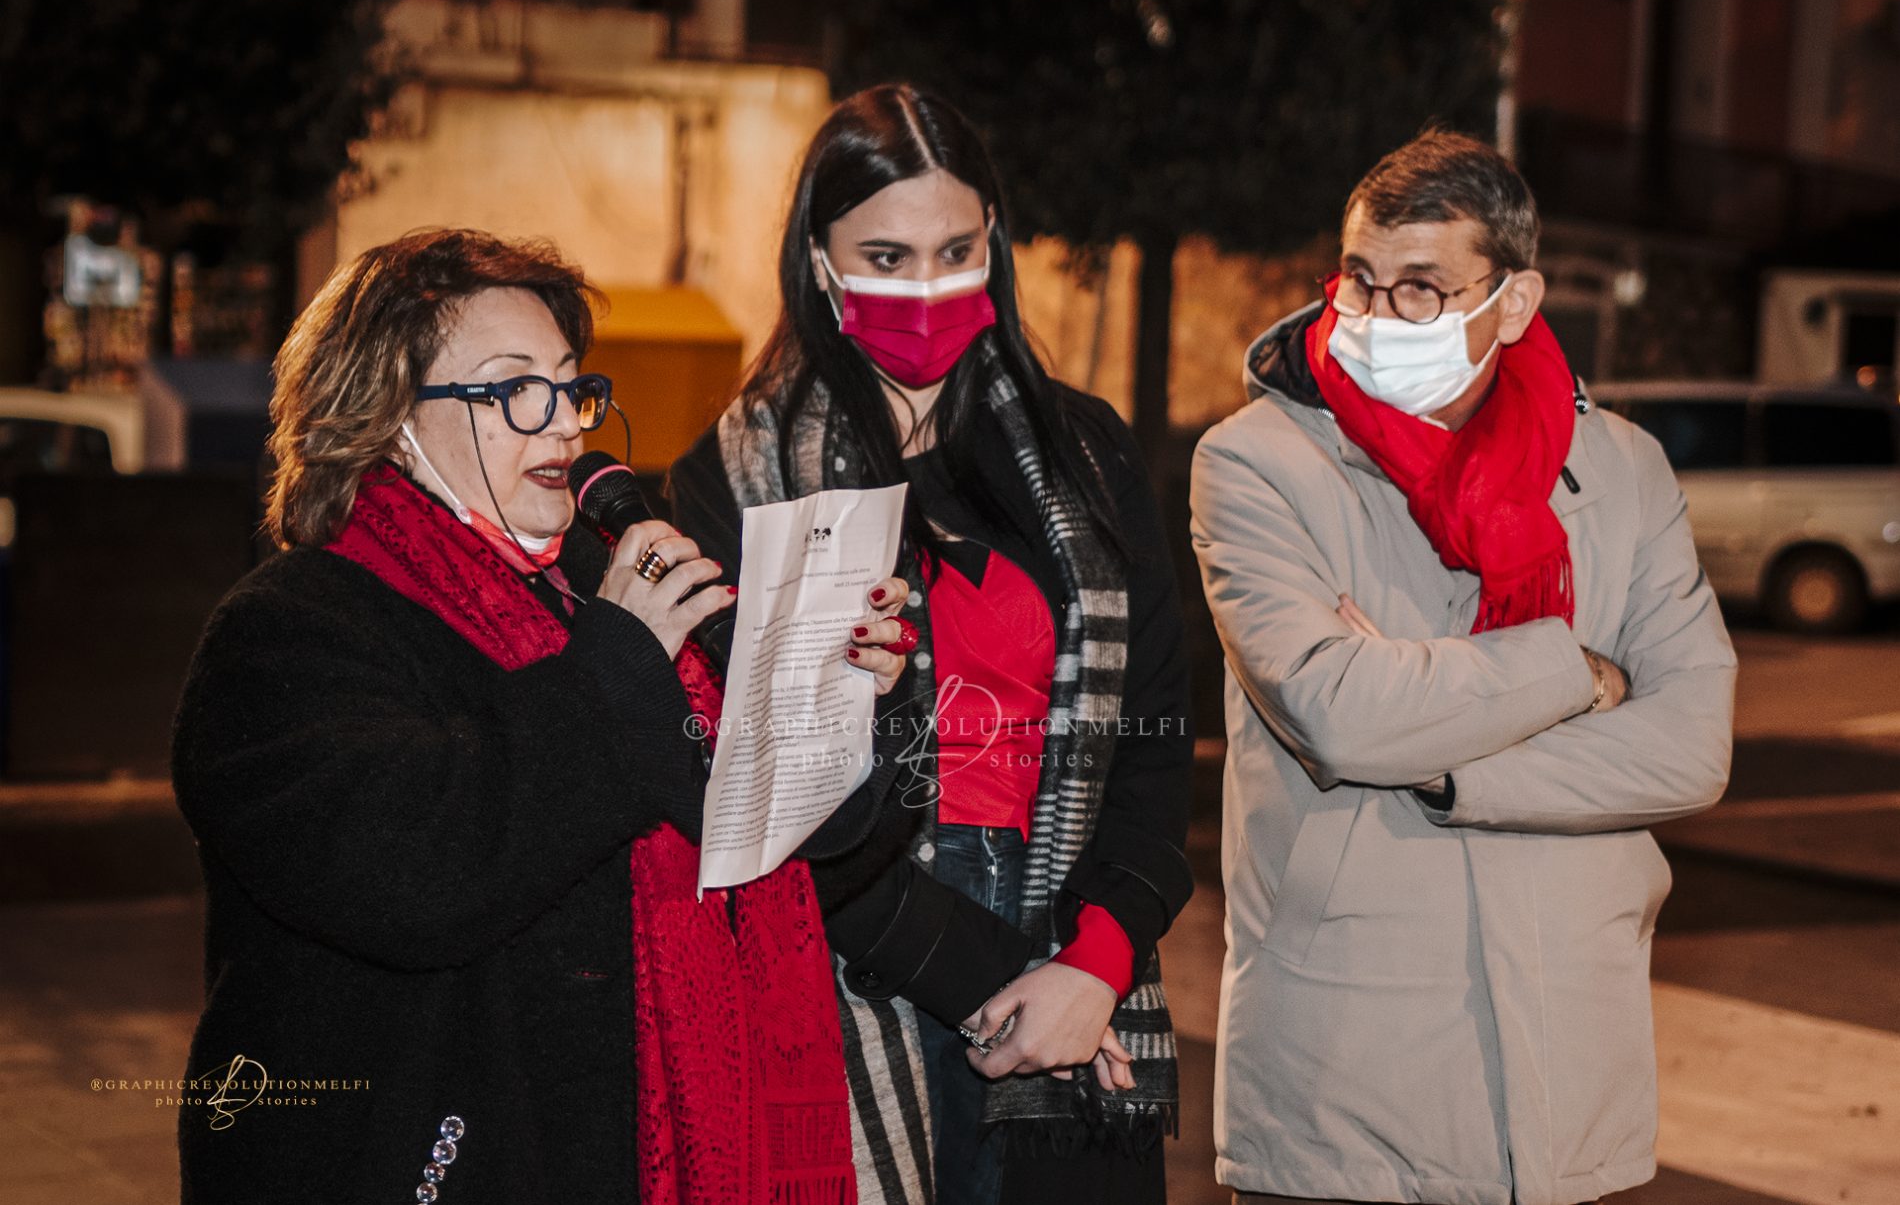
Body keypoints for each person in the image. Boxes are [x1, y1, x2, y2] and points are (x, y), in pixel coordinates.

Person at [171, 228, 913, 1203]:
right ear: (385, 415)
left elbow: (779, 865)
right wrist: (620, 663)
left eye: (571, 387)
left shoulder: (590, 603)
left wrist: (839, 702)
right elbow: (419, 875)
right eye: (516, 389)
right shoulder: (287, 633)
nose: (565, 424)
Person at [668, 84, 1195, 1205]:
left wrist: (1094, 963)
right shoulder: (738, 486)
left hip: (1078, 955)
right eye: (886, 256)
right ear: (819, 261)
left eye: (955, 249)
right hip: (861, 975)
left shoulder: (1087, 458)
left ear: (994, 242)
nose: (926, 288)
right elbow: (759, 804)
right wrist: (1010, 983)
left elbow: (1152, 749)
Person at [1190, 129, 1737, 1205]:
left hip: (1570, 1068)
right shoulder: (1257, 463)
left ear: (1516, 301)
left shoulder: (1620, 470)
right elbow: (1341, 718)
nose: (1376, 317)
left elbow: (1689, 745)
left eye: (1422, 290)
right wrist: (1574, 676)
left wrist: (1449, 766)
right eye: (1360, 280)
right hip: (1347, 1084)